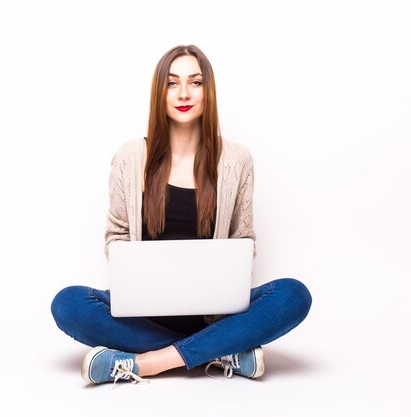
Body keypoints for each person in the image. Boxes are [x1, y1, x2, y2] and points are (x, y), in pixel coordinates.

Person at [51, 45, 312, 385]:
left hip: (214, 316)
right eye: (172, 83)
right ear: (159, 93)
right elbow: (115, 237)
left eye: (195, 82)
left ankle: (146, 364)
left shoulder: (236, 159)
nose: (184, 93)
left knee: (294, 295)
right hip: (145, 315)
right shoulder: (131, 157)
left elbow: (243, 240)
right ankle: (220, 352)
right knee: (68, 304)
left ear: (209, 92)